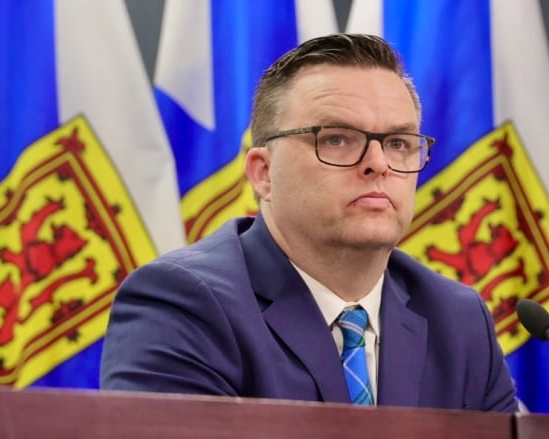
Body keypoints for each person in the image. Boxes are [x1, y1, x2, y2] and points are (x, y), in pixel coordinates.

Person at [100, 33, 518, 411]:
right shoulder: (183, 302)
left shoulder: (457, 319)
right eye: (336, 139)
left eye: (398, 143)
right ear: (264, 173)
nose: (378, 164)